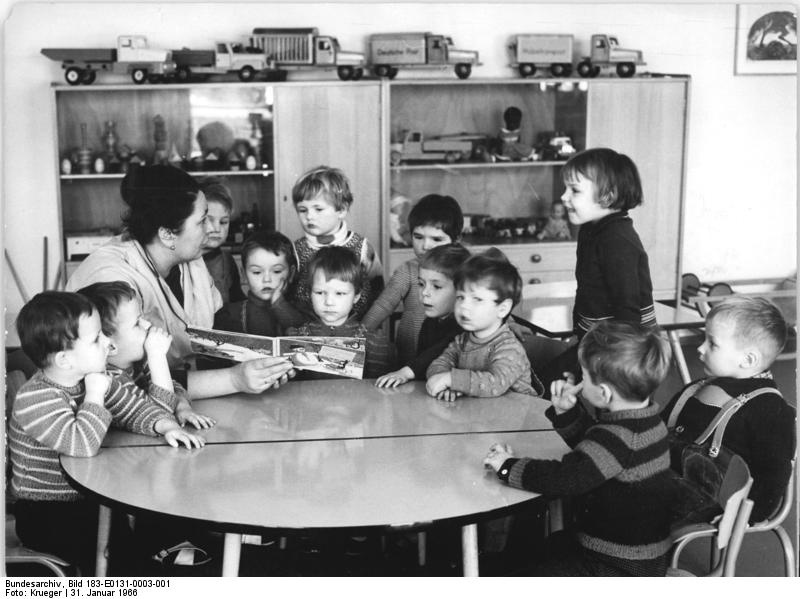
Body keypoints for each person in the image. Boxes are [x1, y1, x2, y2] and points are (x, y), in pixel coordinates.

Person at [8, 292, 205, 575]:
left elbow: (134, 409)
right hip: (44, 512)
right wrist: (95, 396)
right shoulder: (37, 398)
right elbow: (81, 444)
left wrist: (167, 425)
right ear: (65, 360)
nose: (108, 343)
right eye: (96, 338)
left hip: (87, 499)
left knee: (126, 536)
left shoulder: (93, 378)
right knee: (116, 553)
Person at [66, 165, 295, 398]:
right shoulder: (112, 279)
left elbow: (207, 334)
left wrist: (260, 362)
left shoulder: (187, 254)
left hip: (185, 397)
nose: (211, 229)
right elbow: (125, 387)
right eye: (202, 220)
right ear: (167, 234)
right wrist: (235, 379)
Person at [483, 321, 676, 576]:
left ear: (605, 393)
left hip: (616, 565)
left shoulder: (619, 439)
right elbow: (595, 452)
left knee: (523, 570)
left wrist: (507, 467)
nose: (581, 383)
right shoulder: (645, 422)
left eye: (584, 377)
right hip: (632, 553)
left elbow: (566, 478)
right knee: (533, 551)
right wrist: (567, 412)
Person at [663, 296, 795, 523]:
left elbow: (773, 476)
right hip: (674, 478)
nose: (700, 348)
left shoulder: (770, 409)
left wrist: (743, 516)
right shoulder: (698, 388)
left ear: (748, 359)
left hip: (712, 501)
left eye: (712, 343)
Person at [539, 147, 656, 395]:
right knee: (546, 383)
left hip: (621, 352)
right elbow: (586, 291)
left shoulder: (617, 239)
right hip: (596, 342)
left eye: (575, 190)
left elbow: (627, 310)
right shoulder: (591, 230)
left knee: (550, 387)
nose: (563, 197)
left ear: (607, 196)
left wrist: (616, 367)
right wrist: (578, 338)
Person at [77, 281, 215, 429]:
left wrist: (182, 406)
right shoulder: (109, 380)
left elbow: (173, 386)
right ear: (110, 346)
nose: (147, 325)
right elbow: (161, 413)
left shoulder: (137, 363)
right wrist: (157, 356)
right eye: (137, 323)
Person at [426, 249, 541, 400]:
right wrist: (445, 382)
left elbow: (495, 383)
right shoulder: (461, 341)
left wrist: (451, 380)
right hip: (478, 416)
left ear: (503, 308)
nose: (464, 306)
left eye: (477, 299)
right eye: (461, 297)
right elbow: (439, 364)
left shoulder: (509, 347)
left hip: (513, 419)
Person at [363, 194, 464, 366]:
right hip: (408, 358)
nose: (425, 246)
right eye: (418, 237)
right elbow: (383, 306)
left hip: (450, 359)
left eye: (436, 239)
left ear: (456, 239)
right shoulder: (407, 271)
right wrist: (358, 334)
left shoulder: (466, 269)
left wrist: (509, 323)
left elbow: (486, 301)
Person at [287, 165, 383, 320]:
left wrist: (367, 328)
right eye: (303, 210)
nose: (309, 216)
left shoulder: (363, 248)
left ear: (342, 210)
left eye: (318, 209)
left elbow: (379, 293)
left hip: (355, 331)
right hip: (305, 334)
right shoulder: (295, 251)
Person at [286, 246, 392, 379]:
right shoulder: (295, 337)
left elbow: (378, 391)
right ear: (309, 293)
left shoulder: (374, 341)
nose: (329, 302)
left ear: (356, 296)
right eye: (319, 292)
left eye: (340, 293)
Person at [375, 243, 470, 388]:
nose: (425, 292)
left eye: (436, 286)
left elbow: (437, 352)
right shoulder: (429, 322)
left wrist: (405, 373)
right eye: (421, 284)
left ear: (461, 291)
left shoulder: (464, 326)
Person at [214, 230, 306, 336]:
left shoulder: (303, 312)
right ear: (244, 275)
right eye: (257, 272)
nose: (266, 279)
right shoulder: (229, 315)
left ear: (291, 273)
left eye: (276, 271)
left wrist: (279, 304)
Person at [199, 176, 246, 304]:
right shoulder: (181, 260)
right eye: (209, 220)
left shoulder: (227, 261)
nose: (217, 228)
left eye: (224, 222)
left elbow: (236, 301)